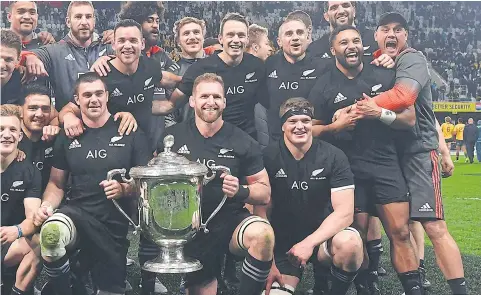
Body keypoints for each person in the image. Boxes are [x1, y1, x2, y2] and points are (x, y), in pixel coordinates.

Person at [355, 12, 467, 295]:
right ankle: (413, 281)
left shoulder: (413, 58)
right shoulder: (380, 63)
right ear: (376, 36)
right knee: (400, 225)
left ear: (406, 36)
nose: (392, 34)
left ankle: (460, 290)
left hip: (417, 153)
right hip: (390, 156)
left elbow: (404, 97)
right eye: (385, 29)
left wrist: (356, 108)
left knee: (433, 225)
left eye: (398, 29)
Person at [308, 25, 421, 295]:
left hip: (386, 165)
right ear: (333, 49)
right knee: (356, 236)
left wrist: (378, 112)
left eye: (356, 41)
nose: (351, 46)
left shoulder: (384, 74)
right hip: (348, 171)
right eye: (344, 42)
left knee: (401, 233)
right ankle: (365, 286)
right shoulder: (323, 84)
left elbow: (409, 119)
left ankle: (415, 290)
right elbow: (311, 129)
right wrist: (336, 128)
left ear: (363, 45)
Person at [33, 72, 151, 295]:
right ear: (77, 100)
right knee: (52, 235)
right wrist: (46, 206)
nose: (93, 99)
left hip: (113, 223)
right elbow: (56, 184)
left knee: (110, 289)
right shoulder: (67, 136)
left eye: (99, 93)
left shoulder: (130, 131)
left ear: (107, 96)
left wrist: (125, 188)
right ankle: (65, 287)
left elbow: (145, 183)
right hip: (77, 213)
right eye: (87, 95)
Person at [157, 73, 274, 295]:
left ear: (224, 102)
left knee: (263, 234)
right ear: (192, 101)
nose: (210, 102)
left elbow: (264, 192)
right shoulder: (171, 137)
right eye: (204, 96)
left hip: (228, 222)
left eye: (216, 97)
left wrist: (240, 190)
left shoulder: (243, 141)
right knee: (203, 289)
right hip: (186, 226)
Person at [260, 97, 363, 295]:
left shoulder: (334, 156)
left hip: (322, 240)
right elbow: (261, 213)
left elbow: (345, 213)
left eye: (305, 121)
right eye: (293, 121)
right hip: (284, 246)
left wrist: (308, 243)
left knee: (350, 244)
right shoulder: (267, 157)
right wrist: (269, 263)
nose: (300, 126)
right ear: (282, 126)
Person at [59, 19, 180, 149]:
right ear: (113, 44)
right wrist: (69, 117)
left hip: (145, 147)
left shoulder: (151, 66)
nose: (127, 46)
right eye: (121, 41)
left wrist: (193, 80)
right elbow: (68, 110)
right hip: (111, 150)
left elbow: (171, 80)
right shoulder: (101, 74)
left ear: (142, 44)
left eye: (133, 40)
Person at [152, 13, 269, 140]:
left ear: (247, 40)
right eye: (230, 35)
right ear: (220, 38)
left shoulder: (257, 66)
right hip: (212, 143)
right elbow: (170, 105)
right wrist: (132, 107)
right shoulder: (201, 69)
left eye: (241, 35)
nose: (236, 40)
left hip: (248, 142)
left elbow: (271, 104)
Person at [22, 1, 113, 111]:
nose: (84, 22)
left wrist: (117, 42)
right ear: (68, 22)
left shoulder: (108, 47)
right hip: (68, 123)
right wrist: (29, 56)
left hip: (105, 123)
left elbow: (133, 55)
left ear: (94, 20)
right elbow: (16, 56)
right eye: (78, 17)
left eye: (88, 17)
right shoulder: (55, 51)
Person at [1, 104, 42, 295]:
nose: (6, 134)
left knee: (44, 241)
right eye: (1, 129)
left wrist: (16, 230)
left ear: (19, 136)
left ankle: (17, 291)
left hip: (7, 241)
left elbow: (32, 218)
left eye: (12, 130)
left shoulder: (30, 172)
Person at [265, 18, 327, 142]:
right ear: (279, 41)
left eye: (299, 32)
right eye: (289, 34)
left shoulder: (323, 66)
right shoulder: (269, 64)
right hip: (277, 143)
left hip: (312, 141)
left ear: (308, 38)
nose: (295, 37)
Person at [165, 16, 207, 127]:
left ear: (203, 37)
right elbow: (168, 116)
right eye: (186, 33)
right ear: (178, 41)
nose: (192, 37)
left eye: (196, 32)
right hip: (185, 137)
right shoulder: (171, 74)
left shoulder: (218, 66)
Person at [18, 83, 60, 191]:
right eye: (33, 108)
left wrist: (60, 136)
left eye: (45, 109)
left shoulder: (57, 138)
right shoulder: (9, 140)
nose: (39, 114)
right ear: (20, 111)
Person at [307, 1, 378, 60]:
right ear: (326, 16)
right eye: (334, 8)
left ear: (354, 11)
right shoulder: (315, 49)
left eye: (345, 6)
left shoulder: (374, 39)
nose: (341, 11)